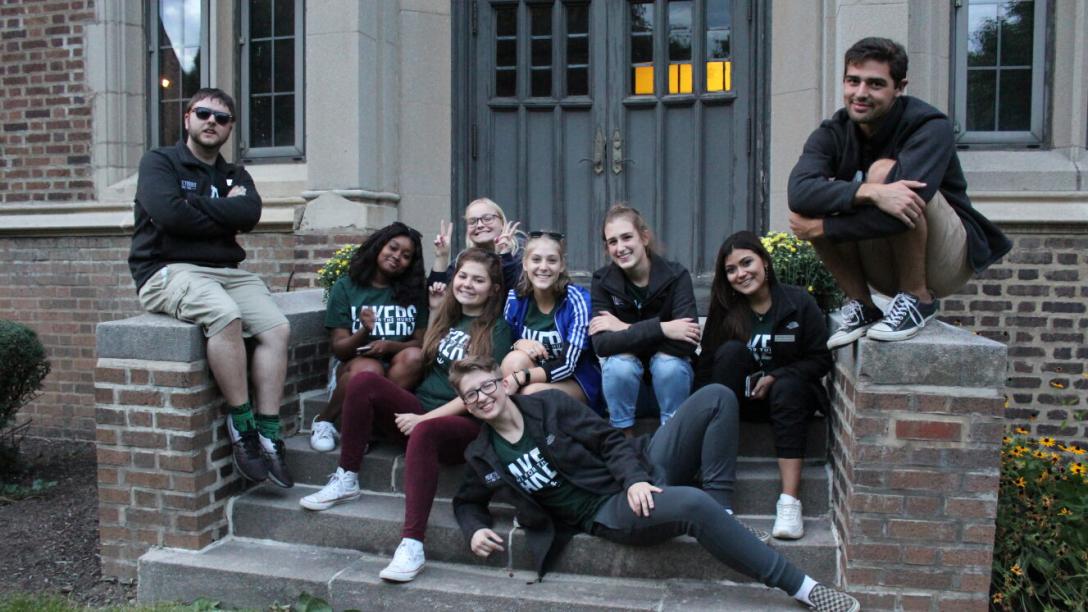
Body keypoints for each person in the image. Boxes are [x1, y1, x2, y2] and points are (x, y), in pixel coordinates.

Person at [450, 356, 860, 612]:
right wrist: (474, 529)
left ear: (503, 383)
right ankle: (804, 588)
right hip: (606, 512)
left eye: (487, 385)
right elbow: (466, 502)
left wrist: (633, 479)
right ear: (466, 406)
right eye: (472, 396)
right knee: (693, 506)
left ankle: (726, 513)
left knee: (716, 395)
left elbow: (609, 439)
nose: (483, 397)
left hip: (637, 470)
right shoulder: (482, 454)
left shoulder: (548, 405)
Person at [299, 248, 514, 584]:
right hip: (421, 413)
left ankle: (412, 544)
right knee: (365, 380)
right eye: (463, 276)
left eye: (478, 279)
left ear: (493, 289)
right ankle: (346, 476)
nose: (468, 284)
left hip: (462, 426)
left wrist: (425, 421)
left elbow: (480, 395)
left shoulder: (497, 330)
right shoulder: (445, 318)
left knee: (426, 433)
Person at [787, 37, 1011, 348]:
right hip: (882, 259)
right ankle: (862, 305)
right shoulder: (833, 132)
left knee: (884, 174)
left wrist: (823, 228)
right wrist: (870, 193)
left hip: (945, 258)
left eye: (876, 84)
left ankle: (918, 299)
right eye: (854, 81)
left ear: (899, 87)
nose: (861, 93)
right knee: (822, 201)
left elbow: (902, 210)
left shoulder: (929, 126)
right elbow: (798, 194)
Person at [129, 87, 292, 488]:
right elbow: (168, 215)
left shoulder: (236, 174)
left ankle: (269, 431)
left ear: (230, 128)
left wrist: (194, 209)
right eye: (203, 114)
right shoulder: (159, 162)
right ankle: (242, 426)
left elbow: (250, 213)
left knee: (277, 328)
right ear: (187, 118)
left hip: (228, 272)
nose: (211, 122)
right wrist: (224, 212)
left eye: (221, 119)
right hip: (167, 270)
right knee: (224, 315)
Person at [697, 231, 832, 540]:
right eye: (731, 269)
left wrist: (777, 375)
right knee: (728, 353)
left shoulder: (798, 302)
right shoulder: (726, 310)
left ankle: (789, 503)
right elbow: (707, 365)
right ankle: (715, 486)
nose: (741, 274)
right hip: (741, 402)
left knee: (788, 387)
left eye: (747, 263)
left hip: (790, 401)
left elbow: (820, 360)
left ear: (765, 263)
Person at [311, 222, 429, 452]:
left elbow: (420, 341)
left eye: (406, 256)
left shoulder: (414, 293)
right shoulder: (346, 287)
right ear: (379, 246)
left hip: (396, 371)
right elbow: (339, 348)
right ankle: (324, 420)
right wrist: (364, 332)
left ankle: (364, 423)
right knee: (369, 370)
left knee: (415, 356)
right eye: (393, 248)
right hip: (353, 367)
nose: (397, 257)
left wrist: (389, 346)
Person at [589, 204, 700, 433]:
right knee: (619, 365)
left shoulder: (676, 276)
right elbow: (602, 345)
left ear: (644, 237)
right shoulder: (602, 281)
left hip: (671, 390)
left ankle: (673, 440)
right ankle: (623, 440)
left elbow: (687, 341)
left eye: (627, 237)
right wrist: (665, 329)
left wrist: (624, 328)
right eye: (612, 242)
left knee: (668, 364)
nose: (620, 247)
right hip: (631, 392)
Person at [501, 230, 602, 415]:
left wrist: (523, 377)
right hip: (530, 378)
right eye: (536, 260)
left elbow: (568, 364)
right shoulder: (515, 299)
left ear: (562, 265)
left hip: (574, 382)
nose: (544, 267)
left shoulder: (577, 301)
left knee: (530, 393)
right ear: (525, 264)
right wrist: (518, 343)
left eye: (552, 260)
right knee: (513, 360)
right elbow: (502, 346)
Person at [428, 197, 523, 293]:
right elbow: (438, 298)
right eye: (472, 221)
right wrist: (442, 256)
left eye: (487, 218)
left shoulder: (524, 254)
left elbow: (513, 294)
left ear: (502, 222)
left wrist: (504, 256)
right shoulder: (462, 260)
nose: (480, 225)